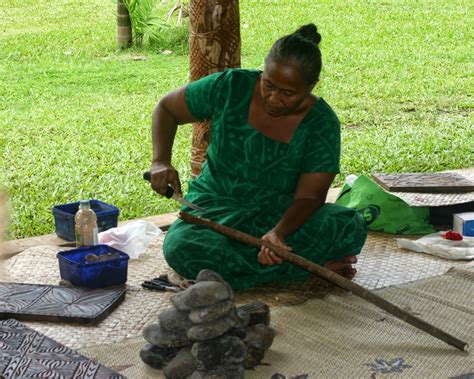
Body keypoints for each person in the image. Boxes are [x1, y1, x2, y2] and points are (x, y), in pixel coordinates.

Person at [149, 24, 367, 290]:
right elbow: (166, 108)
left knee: (347, 225)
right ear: (262, 71)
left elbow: (310, 197)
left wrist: (278, 233)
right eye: (269, 85)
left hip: (280, 215)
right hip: (214, 209)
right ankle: (304, 269)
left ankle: (268, 268)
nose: (274, 99)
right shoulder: (230, 87)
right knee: (182, 247)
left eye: (288, 94)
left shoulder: (321, 123)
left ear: (311, 86)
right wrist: (160, 160)